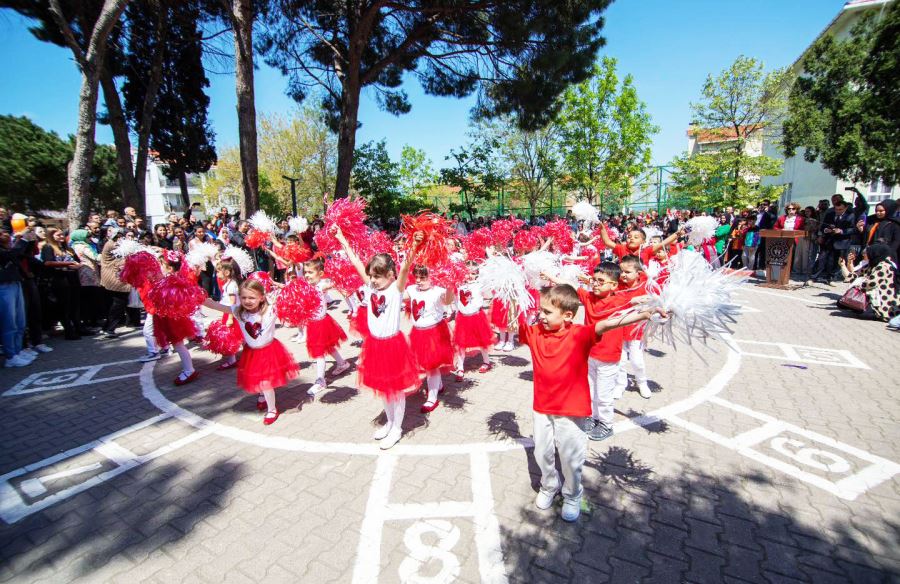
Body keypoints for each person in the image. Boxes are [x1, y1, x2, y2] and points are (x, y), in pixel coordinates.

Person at [514, 284, 661, 521]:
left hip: (572, 410)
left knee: (571, 456)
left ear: (568, 315)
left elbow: (608, 323)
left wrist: (644, 314)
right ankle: (549, 485)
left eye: (547, 312)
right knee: (541, 452)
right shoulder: (534, 333)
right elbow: (513, 321)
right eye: (541, 311)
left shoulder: (580, 334)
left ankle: (572, 494)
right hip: (542, 407)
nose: (541, 316)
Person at [334, 226, 421, 450]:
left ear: (390, 276)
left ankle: (397, 429)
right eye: (371, 276)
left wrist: (414, 245)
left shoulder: (396, 289)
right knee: (383, 388)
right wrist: (342, 238)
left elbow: (406, 267)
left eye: (377, 276)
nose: (372, 280)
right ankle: (390, 422)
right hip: (374, 345)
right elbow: (355, 261)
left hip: (393, 345)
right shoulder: (370, 288)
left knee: (396, 389)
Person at [203, 279, 301, 424]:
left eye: (252, 297)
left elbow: (290, 306)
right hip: (252, 353)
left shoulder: (271, 310)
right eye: (243, 297)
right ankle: (262, 396)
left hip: (269, 351)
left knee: (266, 382)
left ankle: (272, 409)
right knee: (258, 377)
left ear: (261, 297)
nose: (247, 301)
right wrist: (197, 297)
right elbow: (214, 305)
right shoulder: (237, 311)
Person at [406, 265, 455, 413]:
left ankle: (432, 398)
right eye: (417, 277)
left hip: (434, 332)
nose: (419, 281)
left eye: (423, 277)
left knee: (431, 366)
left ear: (432, 276)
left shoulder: (438, 291)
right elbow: (399, 296)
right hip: (417, 333)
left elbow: (447, 301)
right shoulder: (412, 289)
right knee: (426, 363)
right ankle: (438, 386)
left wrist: (450, 286)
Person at [302, 258, 351, 397]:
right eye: (305, 272)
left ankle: (320, 381)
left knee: (319, 352)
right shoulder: (307, 285)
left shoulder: (321, 285)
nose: (307, 275)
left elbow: (333, 284)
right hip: (313, 323)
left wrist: (341, 275)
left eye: (311, 272)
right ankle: (342, 364)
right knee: (328, 347)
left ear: (320, 273)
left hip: (321, 324)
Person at [451, 263, 494, 380]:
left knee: (482, 340)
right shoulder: (458, 285)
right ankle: (460, 367)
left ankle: (486, 362)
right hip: (462, 318)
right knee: (461, 343)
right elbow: (454, 298)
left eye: (473, 273)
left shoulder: (479, 285)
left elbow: (488, 294)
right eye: (466, 273)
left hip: (477, 317)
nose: (469, 276)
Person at [41, 228, 84, 340]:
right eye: (58, 235)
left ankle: (79, 328)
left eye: (61, 235)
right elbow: (48, 262)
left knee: (75, 304)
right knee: (64, 306)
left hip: (72, 277)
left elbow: (77, 261)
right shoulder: (48, 247)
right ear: (51, 236)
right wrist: (68, 263)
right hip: (59, 279)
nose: (61, 237)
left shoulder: (66, 248)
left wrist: (77, 265)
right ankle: (68, 331)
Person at [1, 227, 35, 367]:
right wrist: (23, 239)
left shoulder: (9, 249)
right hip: (3, 286)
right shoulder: (4, 252)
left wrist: (27, 241)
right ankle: (11, 356)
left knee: (20, 321)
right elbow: (10, 255)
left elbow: (20, 255)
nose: (6, 236)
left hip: (15, 283)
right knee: (9, 323)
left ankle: (18, 350)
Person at [840, 244, 899, 323]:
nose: (866, 255)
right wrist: (843, 265)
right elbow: (854, 276)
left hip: (883, 303)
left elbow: (871, 283)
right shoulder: (873, 264)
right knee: (843, 303)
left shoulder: (884, 266)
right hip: (873, 299)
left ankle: (880, 315)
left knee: (861, 313)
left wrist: (858, 284)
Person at [99, 228, 132, 339]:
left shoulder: (114, 244)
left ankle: (107, 328)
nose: (120, 238)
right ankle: (109, 329)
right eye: (118, 236)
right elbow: (129, 251)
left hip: (115, 278)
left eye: (121, 236)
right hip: (115, 279)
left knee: (115, 305)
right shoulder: (112, 244)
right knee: (118, 304)